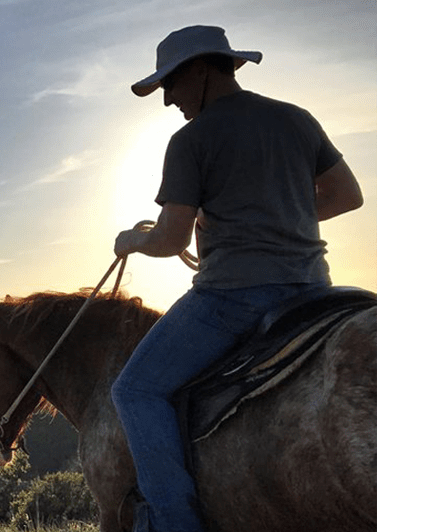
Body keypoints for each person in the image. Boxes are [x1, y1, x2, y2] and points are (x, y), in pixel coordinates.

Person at [109, 26, 364, 532]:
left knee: (135, 391)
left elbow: (170, 240)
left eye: (170, 86)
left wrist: (129, 241)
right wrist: (278, 214)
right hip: (316, 290)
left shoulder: (191, 140)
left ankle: (172, 523)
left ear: (200, 70)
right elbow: (345, 195)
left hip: (233, 297)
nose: (168, 101)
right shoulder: (296, 119)